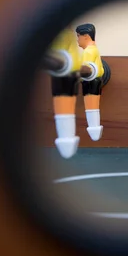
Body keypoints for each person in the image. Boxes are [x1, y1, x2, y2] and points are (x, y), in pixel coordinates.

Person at [46, 27, 84, 159]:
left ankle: (66, 139)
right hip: (72, 72)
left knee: (64, 109)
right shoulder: (69, 36)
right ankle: (67, 140)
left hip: (65, 74)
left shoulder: (62, 35)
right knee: (67, 110)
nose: (79, 40)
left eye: (80, 37)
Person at [76, 23, 105, 141]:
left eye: (78, 36)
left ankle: (94, 129)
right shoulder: (95, 50)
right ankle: (95, 130)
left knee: (91, 108)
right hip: (96, 81)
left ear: (86, 36)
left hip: (89, 82)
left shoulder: (88, 52)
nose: (77, 40)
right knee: (93, 107)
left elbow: (85, 71)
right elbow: (101, 69)